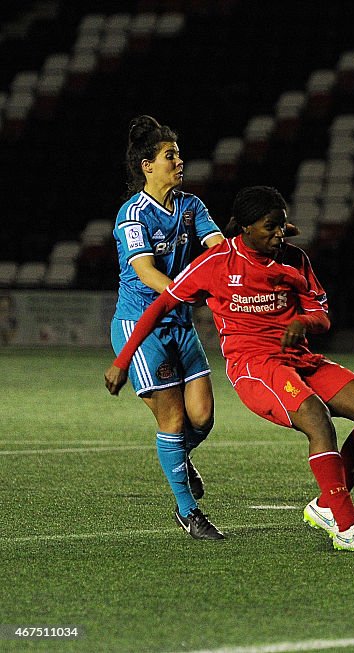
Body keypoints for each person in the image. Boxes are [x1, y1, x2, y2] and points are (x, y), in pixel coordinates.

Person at [106, 186, 354, 553]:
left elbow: (322, 316)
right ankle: (346, 526)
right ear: (245, 228)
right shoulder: (216, 263)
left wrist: (304, 322)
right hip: (256, 366)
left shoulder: (295, 260)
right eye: (270, 226)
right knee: (317, 420)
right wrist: (122, 360)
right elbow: (160, 305)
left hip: (300, 359)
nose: (279, 233)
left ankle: (326, 505)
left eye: (282, 225)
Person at [110, 115, 225, 540]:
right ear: (147, 165)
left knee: (203, 418)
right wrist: (188, 290)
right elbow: (144, 272)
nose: (180, 162)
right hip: (142, 327)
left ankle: (178, 459)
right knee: (174, 420)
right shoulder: (133, 214)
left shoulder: (192, 207)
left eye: (178, 154)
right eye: (170, 156)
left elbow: (218, 247)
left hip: (180, 324)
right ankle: (188, 512)